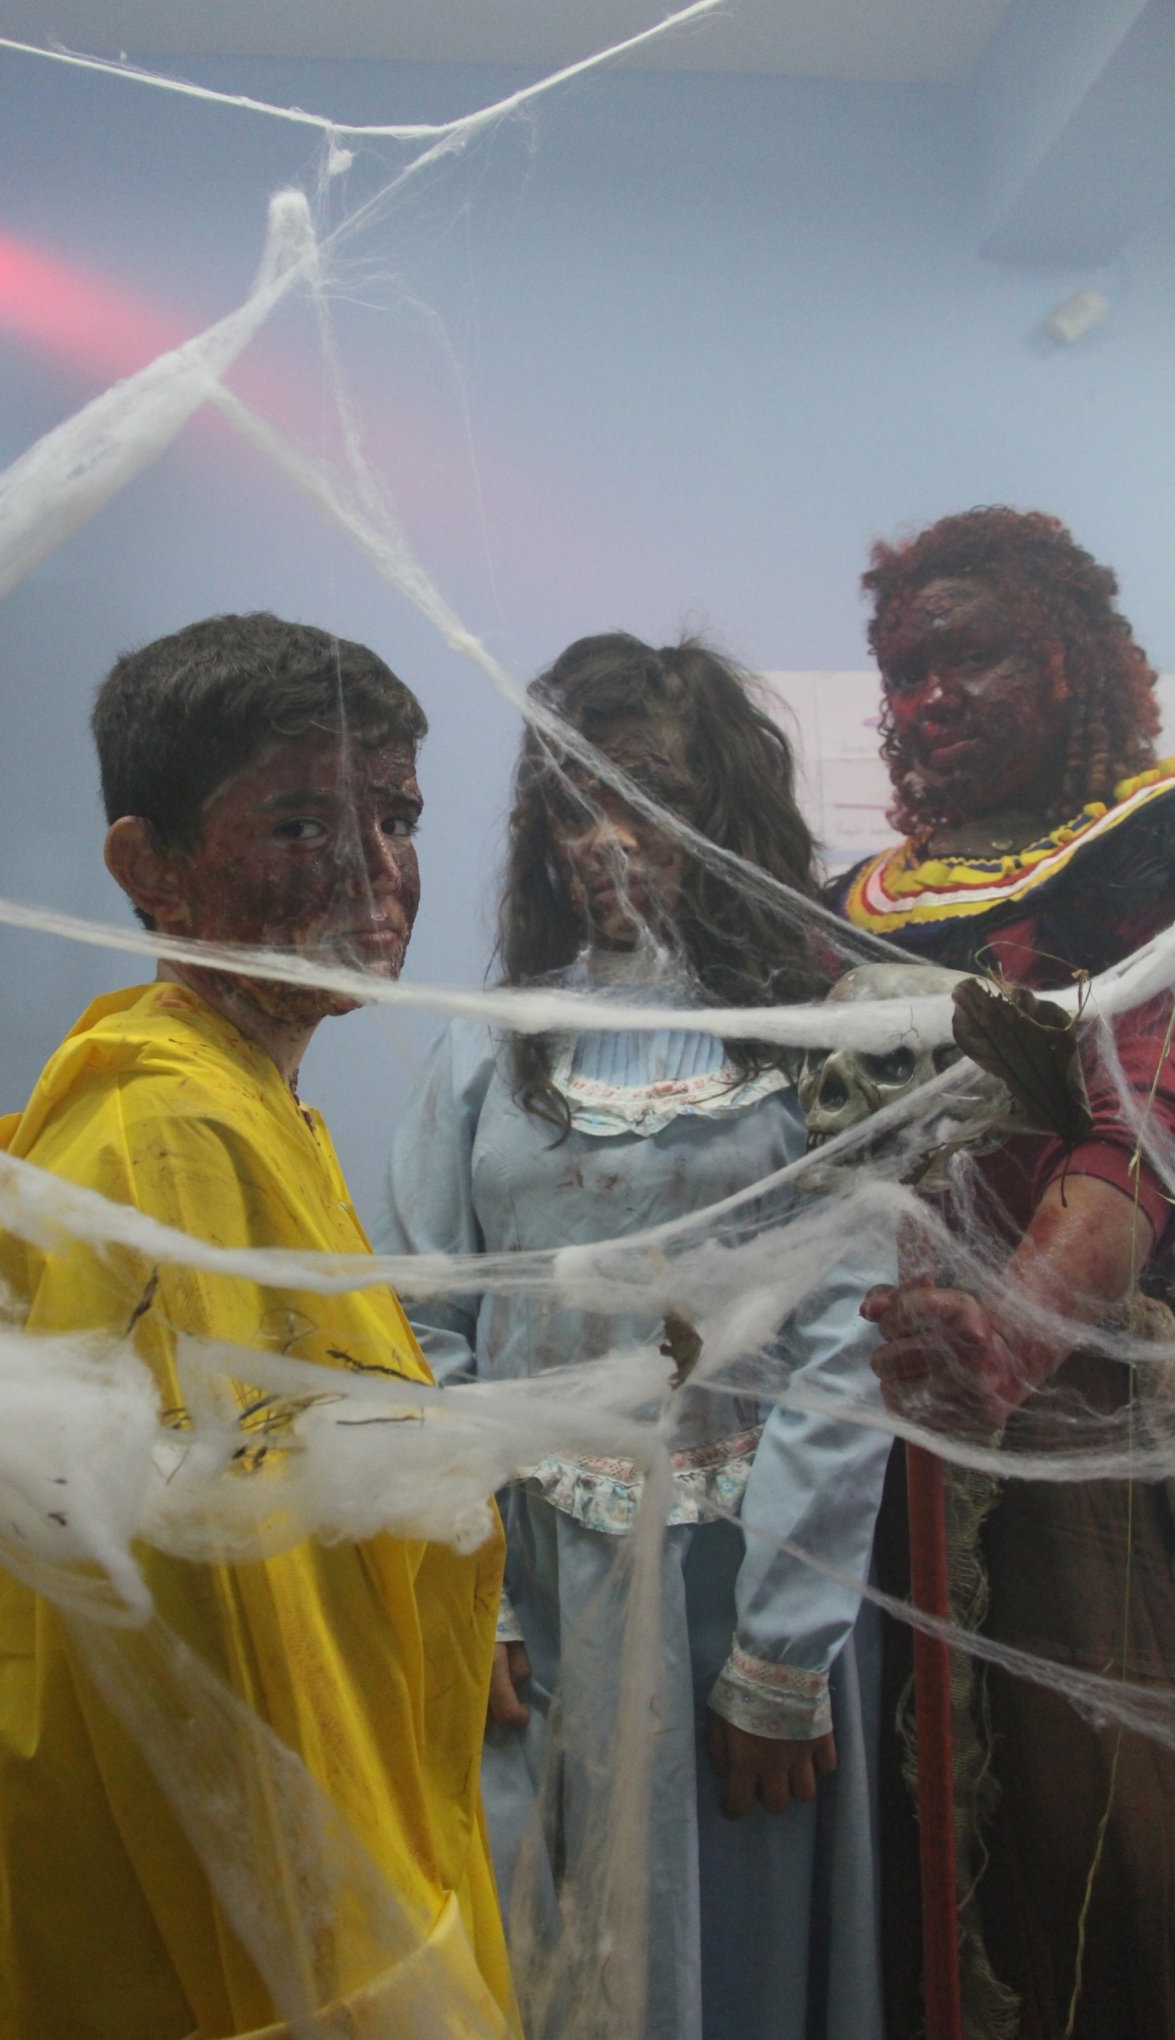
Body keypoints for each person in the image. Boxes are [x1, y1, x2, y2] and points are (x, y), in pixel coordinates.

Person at [0, 613, 516, 2040]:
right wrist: (362, 1980)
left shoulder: (254, 1109)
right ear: (149, 869)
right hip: (259, 1952)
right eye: (304, 822)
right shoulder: (169, 1148)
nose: (379, 876)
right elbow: (226, 1648)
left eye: (397, 817)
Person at [376, 632, 891, 2040]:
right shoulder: (495, 1051)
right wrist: (464, 1594)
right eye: (570, 802)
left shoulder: (813, 1039)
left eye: (646, 794)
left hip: (740, 1581)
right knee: (545, 1953)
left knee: (735, 1955)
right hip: (535, 1596)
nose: (605, 840)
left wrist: (784, 1651)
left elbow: (849, 1342)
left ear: (717, 806)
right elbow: (428, 1325)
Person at [826, 508, 1175, 2040]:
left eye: (973, 658)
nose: (931, 701)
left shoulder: (1146, 858)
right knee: (885, 1837)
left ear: (1073, 664)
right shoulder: (863, 894)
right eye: (907, 670)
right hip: (868, 1434)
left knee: (1079, 1825)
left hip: (1083, 1432)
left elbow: (1141, 1121)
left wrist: (1014, 1339)